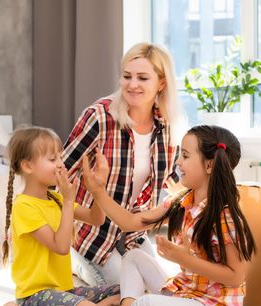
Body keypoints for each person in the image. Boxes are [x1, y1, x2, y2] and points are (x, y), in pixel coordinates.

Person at [81, 125, 257, 306]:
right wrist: (98, 191)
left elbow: (236, 276)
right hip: (185, 293)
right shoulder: (182, 202)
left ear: (209, 165)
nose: (178, 162)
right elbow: (129, 222)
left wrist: (185, 259)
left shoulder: (225, 216)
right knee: (134, 256)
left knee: (146, 305)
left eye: (185, 155)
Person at [0, 126, 120, 306]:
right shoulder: (24, 207)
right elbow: (61, 247)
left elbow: (96, 219)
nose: (60, 165)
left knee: (124, 291)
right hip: (35, 295)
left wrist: (98, 188)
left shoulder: (55, 199)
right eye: (52, 159)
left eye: (60, 157)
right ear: (28, 166)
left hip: (64, 290)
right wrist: (68, 202)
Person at [62, 42, 186, 286]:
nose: (132, 84)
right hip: (92, 235)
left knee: (161, 290)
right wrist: (69, 216)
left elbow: (171, 179)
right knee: (125, 292)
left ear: (161, 83)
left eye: (142, 78)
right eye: (127, 76)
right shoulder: (99, 117)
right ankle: (71, 256)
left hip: (133, 233)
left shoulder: (167, 126)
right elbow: (59, 174)